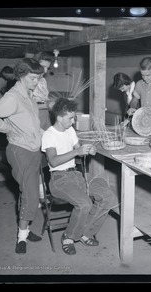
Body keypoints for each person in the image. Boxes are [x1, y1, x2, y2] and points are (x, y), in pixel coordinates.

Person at [0, 58, 45, 254]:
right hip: (20, 151)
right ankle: (21, 238)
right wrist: (8, 128)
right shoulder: (12, 97)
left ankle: (25, 230)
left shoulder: (28, 94)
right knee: (31, 194)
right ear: (21, 76)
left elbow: (32, 124)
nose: (36, 82)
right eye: (33, 78)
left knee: (27, 192)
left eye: (38, 78)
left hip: (34, 149)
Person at [41, 98, 117, 255]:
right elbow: (53, 162)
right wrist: (77, 152)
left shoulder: (69, 130)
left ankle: (85, 233)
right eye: (70, 118)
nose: (73, 121)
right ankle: (68, 237)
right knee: (85, 203)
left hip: (76, 175)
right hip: (59, 180)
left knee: (109, 196)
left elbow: (78, 147)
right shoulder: (49, 135)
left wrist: (88, 150)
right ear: (60, 117)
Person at [32, 51, 55, 130]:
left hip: (44, 115)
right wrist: (48, 105)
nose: (45, 71)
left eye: (47, 68)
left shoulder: (42, 80)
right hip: (32, 118)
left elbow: (44, 99)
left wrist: (56, 102)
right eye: (43, 66)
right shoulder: (27, 81)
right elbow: (26, 105)